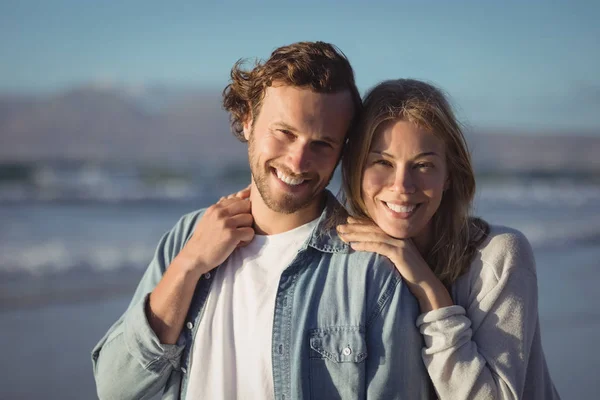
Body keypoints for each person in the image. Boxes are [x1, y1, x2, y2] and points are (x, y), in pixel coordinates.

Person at [91, 43, 431, 399]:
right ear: (248, 119)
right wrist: (189, 265)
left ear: (343, 151)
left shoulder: (370, 270)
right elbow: (116, 388)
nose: (298, 161)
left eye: (322, 144)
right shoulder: (187, 239)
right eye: (284, 133)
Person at [336, 78, 560, 399]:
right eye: (382, 162)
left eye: (423, 165)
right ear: (355, 167)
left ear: (449, 174)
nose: (402, 185)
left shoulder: (500, 255)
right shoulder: (343, 260)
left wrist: (428, 287)